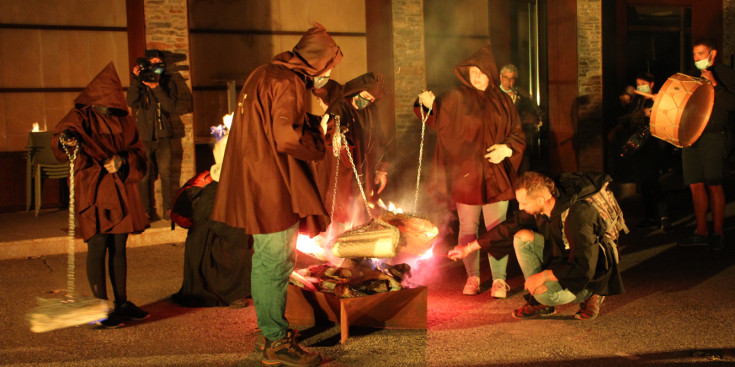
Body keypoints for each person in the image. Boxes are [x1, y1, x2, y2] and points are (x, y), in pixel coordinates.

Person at [210, 23, 342, 367]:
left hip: (255, 178)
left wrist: (312, 124)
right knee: (275, 261)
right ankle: (276, 342)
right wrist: (318, 141)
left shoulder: (264, 73)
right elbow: (285, 137)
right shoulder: (288, 82)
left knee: (265, 260)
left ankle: (269, 331)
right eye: (328, 67)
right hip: (273, 183)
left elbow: (270, 124)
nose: (327, 73)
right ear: (317, 63)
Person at [415, 43, 525, 297]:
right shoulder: (457, 97)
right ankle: (473, 278)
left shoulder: (504, 101)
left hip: (497, 175)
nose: (476, 76)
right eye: (472, 71)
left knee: (497, 227)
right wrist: (428, 104)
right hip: (467, 176)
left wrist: (506, 150)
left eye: (481, 71)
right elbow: (435, 118)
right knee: (468, 227)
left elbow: (518, 133)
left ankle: (499, 280)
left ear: (490, 73)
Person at [448, 171, 625, 320]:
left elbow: (584, 266)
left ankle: (590, 293)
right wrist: (469, 248)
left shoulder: (578, 216)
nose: (521, 207)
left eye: (524, 203)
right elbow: (508, 227)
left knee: (543, 292)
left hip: (590, 270)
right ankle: (542, 304)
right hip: (563, 258)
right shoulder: (540, 208)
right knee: (521, 237)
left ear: (541, 199)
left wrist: (544, 276)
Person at [52, 62, 150, 328]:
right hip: (93, 190)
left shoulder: (125, 120)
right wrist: (68, 140)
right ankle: (99, 307)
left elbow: (139, 153)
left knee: (119, 247)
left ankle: (121, 302)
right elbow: (63, 137)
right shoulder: (81, 116)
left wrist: (122, 160)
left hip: (120, 189)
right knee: (97, 246)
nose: (110, 107)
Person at [171, 123, 252, 308]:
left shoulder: (226, 182)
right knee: (242, 246)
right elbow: (218, 222)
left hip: (215, 236)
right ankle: (231, 293)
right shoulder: (216, 188)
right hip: (208, 246)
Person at [678, 38, 735, 251]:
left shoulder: (724, 72)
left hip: (713, 135)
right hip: (691, 137)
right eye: (694, 54)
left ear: (713, 54)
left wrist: (715, 84)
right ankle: (701, 230)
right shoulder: (691, 76)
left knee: (714, 184)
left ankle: (718, 232)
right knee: (695, 184)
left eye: (701, 53)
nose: (696, 58)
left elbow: (731, 105)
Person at [315, 72, 389, 227]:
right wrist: (334, 133)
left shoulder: (370, 110)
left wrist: (381, 169)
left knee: (363, 212)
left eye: (371, 100)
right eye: (366, 96)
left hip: (365, 170)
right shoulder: (339, 107)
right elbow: (329, 134)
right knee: (341, 212)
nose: (367, 102)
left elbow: (379, 139)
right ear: (357, 90)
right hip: (343, 172)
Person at [609, 72, 672, 232]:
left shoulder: (659, 99)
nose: (639, 87)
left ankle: (664, 218)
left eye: (643, 83)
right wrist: (617, 129)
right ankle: (650, 217)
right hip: (639, 146)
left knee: (652, 180)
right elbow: (629, 121)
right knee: (644, 182)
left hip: (653, 145)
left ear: (651, 84)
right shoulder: (637, 101)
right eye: (638, 84)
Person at [126, 49, 181, 221]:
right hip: (145, 136)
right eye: (153, 63)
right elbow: (131, 102)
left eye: (159, 63)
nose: (156, 67)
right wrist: (137, 80)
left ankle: (168, 210)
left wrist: (156, 87)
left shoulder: (168, 83)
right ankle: (146, 211)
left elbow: (171, 106)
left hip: (163, 135)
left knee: (166, 174)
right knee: (145, 175)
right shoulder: (140, 82)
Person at [499, 64, 543, 173]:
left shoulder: (523, 95)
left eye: (512, 78)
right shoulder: (493, 94)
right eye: (506, 78)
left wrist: (535, 119)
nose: (508, 81)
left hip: (521, 145)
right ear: (500, 77)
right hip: (500, 143)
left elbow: (539, 115)